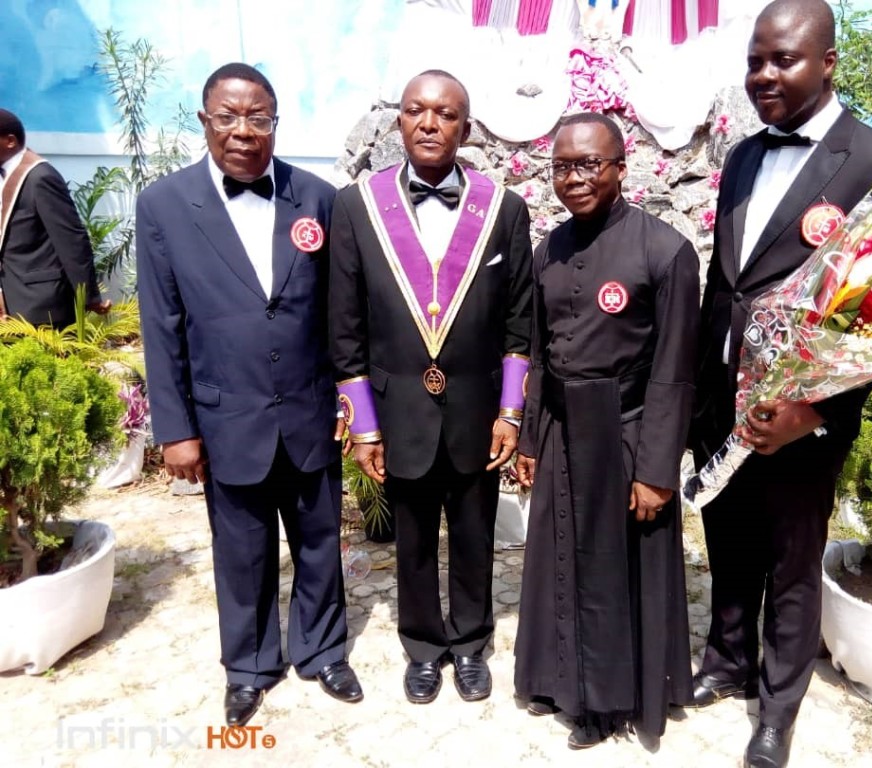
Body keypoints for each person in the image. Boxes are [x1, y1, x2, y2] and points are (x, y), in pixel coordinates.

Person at [687, 2, 872, 766]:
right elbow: (729, 283)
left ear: (828, 62)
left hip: (802, 413)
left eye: (782, 60)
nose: (763, 75)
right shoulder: (743, 157)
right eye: (755, 60)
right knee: (728, 538)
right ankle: (725, 662)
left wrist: (814, 409)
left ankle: (778, 705)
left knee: (793, 558)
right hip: (722, 398)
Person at [136, 63, 362, 728]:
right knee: (241, 551)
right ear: (204, 121)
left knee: (320, 541)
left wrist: (353, 406)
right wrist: (174, 430)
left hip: (309, 410)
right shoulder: (165, 207)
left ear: (274, 122)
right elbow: (161, 323)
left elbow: (341, 316)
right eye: (227, 116)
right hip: (225, 415)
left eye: (257, 117)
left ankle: (323, 650)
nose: (243, 131)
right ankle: (251, 665)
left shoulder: (317, 198)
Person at [329, 70, 532, 705]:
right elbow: (345, 326)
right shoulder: (358, 206)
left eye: (445, 114)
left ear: (465, 130)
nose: (428, 123)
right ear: (399, 123)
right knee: (413, 540)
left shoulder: (503, 208)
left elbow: (521, 323)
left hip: (477, 413)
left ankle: (471, 644)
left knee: (474, 536)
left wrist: (511, 412)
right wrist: (362, 424)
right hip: (396, 413)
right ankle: (422, 647)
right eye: (416, 110)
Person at [513, 112, 699, 749]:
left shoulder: (665, 251)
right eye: (562, 166)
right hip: (564, 431)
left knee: (611, 574)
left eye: (589, 164)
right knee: (557, 560)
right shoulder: (549, 249)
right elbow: (538, 353)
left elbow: (675, 373)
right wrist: (531, 438)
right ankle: (554, 676)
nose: (575, 178)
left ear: (622, 167)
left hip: (625, 435)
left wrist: (655, 470)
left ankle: (608, 701)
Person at [0, 109, 110, 327]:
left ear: (10, 141)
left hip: (40, 305)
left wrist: (88, 296)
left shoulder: (40, 177)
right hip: (10, 300)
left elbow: (71, 239)